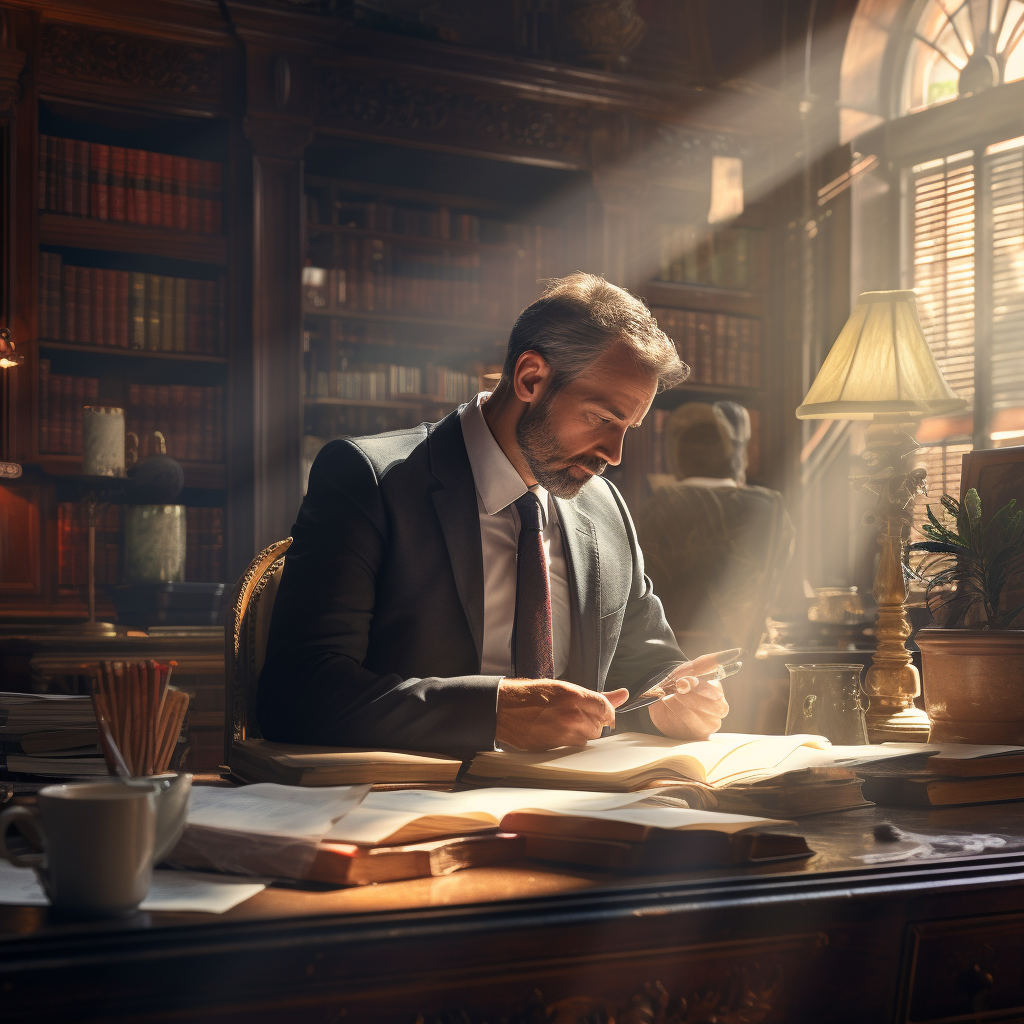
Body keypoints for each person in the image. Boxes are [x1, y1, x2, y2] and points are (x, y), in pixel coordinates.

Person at [257, 273, 730, 756]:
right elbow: (297, 693)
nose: (615, 453)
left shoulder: (606, 509)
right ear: (530, 378)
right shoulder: (370, 481)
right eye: (603, 418)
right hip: (413, 806)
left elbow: (645, 667)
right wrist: (494, 712)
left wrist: (670, 700)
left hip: (582, 805)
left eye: (629, 426)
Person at [638, 401, 795, 662]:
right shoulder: (772, 508)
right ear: (732, 454)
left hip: (674, 663)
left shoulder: (659, 508)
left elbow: (639, 591)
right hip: (754, 657)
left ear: (674, 455)